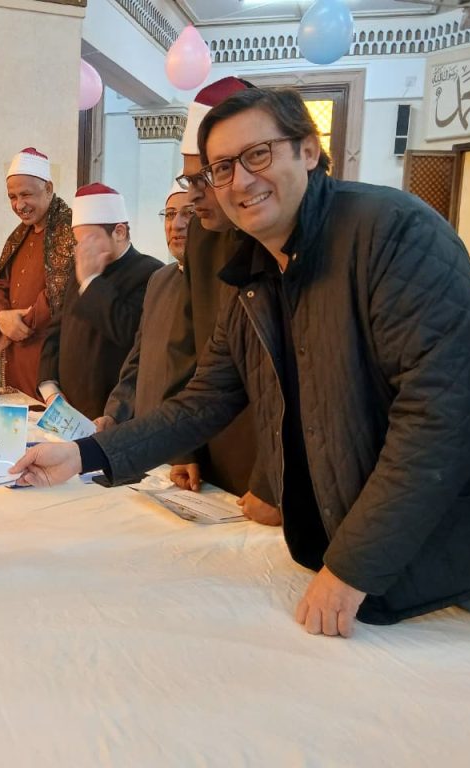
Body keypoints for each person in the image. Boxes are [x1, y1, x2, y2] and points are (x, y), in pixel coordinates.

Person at [10, 87, 470, 646]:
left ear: (308, 150)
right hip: (385, 561)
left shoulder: (393, 232)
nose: (241, 180)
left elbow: (442, 415)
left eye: (258, 154)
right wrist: (83, 455)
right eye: (221, 168)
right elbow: (203, 402)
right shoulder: (253, 272)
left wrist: (352, 567)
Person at [173, 77, 278, 526]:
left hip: (278, 462)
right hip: (214, 446)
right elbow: (190, 347)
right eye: (189, 178)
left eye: (206, 177)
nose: (193, 195)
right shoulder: (203, 235)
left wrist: (277, 482)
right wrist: (185, 444)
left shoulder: (286, 236)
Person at [37, 183, 161, 420]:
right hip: (67, 410)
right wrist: (49, 388)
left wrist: (91, 281)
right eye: (78, 243)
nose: (82, 251)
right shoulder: (80, 272)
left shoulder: (151, 273)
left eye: (89, 240)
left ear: (119, 232)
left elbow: (127, 332)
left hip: (112, 415)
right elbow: (56, 331)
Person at [96, 182, 197, 429]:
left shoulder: (217, 285)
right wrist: (115, 413)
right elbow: (138, 358)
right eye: (170, 214)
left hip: (187, 433)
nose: (177, 225)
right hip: (146, 430)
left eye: (189, 213)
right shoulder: (160, 279)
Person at [0, 148, 76, 398]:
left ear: (48, 188)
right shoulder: (19, 235)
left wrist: (19, 324)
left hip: (48, 358)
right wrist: (0, 315)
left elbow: (62, 291)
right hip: (13, 355)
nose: (19, 205)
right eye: (12, 197)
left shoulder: (71, 231)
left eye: (26, 195)